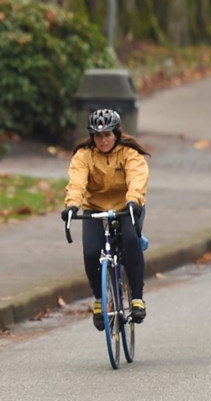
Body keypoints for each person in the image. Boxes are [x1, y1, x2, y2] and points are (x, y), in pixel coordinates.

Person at [62, 108, 150, 330]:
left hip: (126, 206)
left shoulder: (129, 153)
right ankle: (100, 299)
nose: (102, 141)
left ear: (116, 134)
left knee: (130, 240)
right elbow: (77, 183)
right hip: (95, 207)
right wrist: (72, 205)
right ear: (92, 137)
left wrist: (133, 201)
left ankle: (137, 297)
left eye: (107, 135)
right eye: (98, 136)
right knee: (91, 252)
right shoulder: (84, 155)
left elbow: (137, 177)